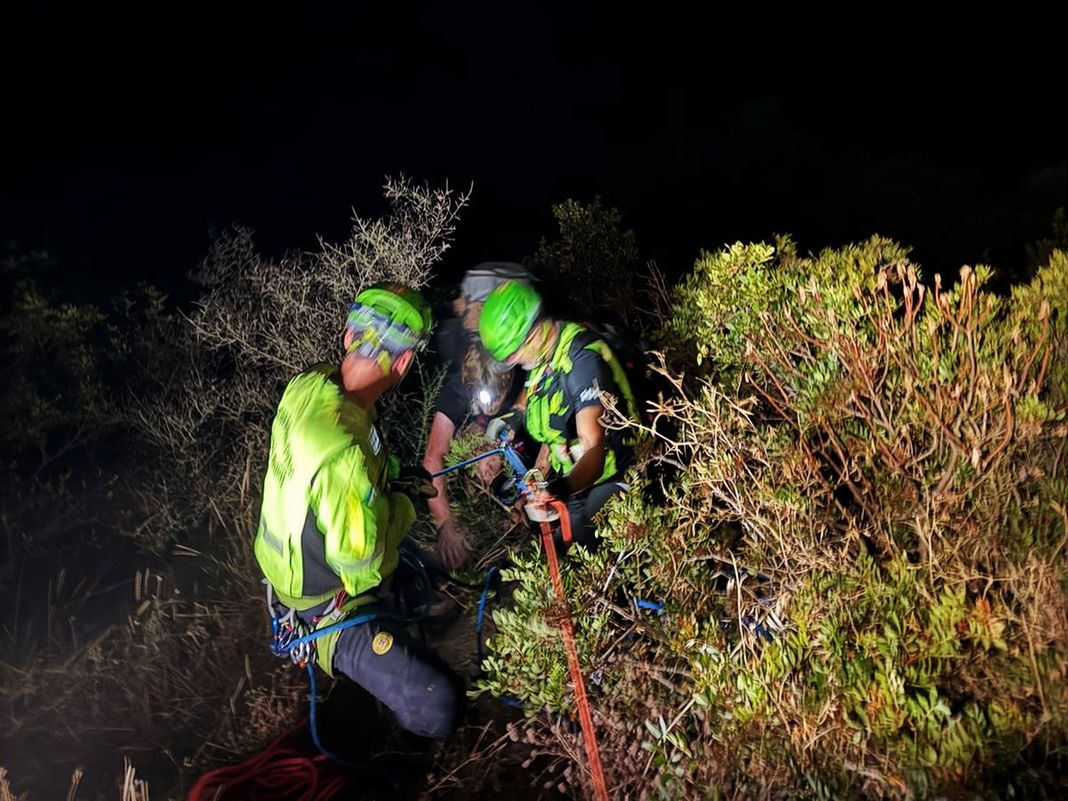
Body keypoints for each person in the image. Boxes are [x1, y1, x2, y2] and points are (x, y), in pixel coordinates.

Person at [253, 281, 460, 739]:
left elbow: (339, 477)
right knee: (439, 706)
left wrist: (389, 484)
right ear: (404, 362)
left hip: (290, 572)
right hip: (327, 610)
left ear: (348, 336)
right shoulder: (344, 450)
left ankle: (413, 627)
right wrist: (404, 502)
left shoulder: (310, 384)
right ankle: (400, 753)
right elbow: (362, 570)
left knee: (422, 574)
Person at [478, 280, 639, 550]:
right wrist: (514, 417)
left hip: (615, 476)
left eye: (512, 354)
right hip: (576, 483)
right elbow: (532, 388)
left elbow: (594, 450)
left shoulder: (583, 362)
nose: (513, 362)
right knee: (561, 556)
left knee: (589, 556)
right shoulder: (543, 354)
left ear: (533, 333)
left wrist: (559, 491)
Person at [422, 262, 533, 569]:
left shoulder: (523, 377)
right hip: (477, 431)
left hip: (515, 435)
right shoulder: (458, 389)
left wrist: (526, 497)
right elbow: (433, 458)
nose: (491, 404)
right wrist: (445, 524)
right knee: (472, 457)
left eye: (497, 399)